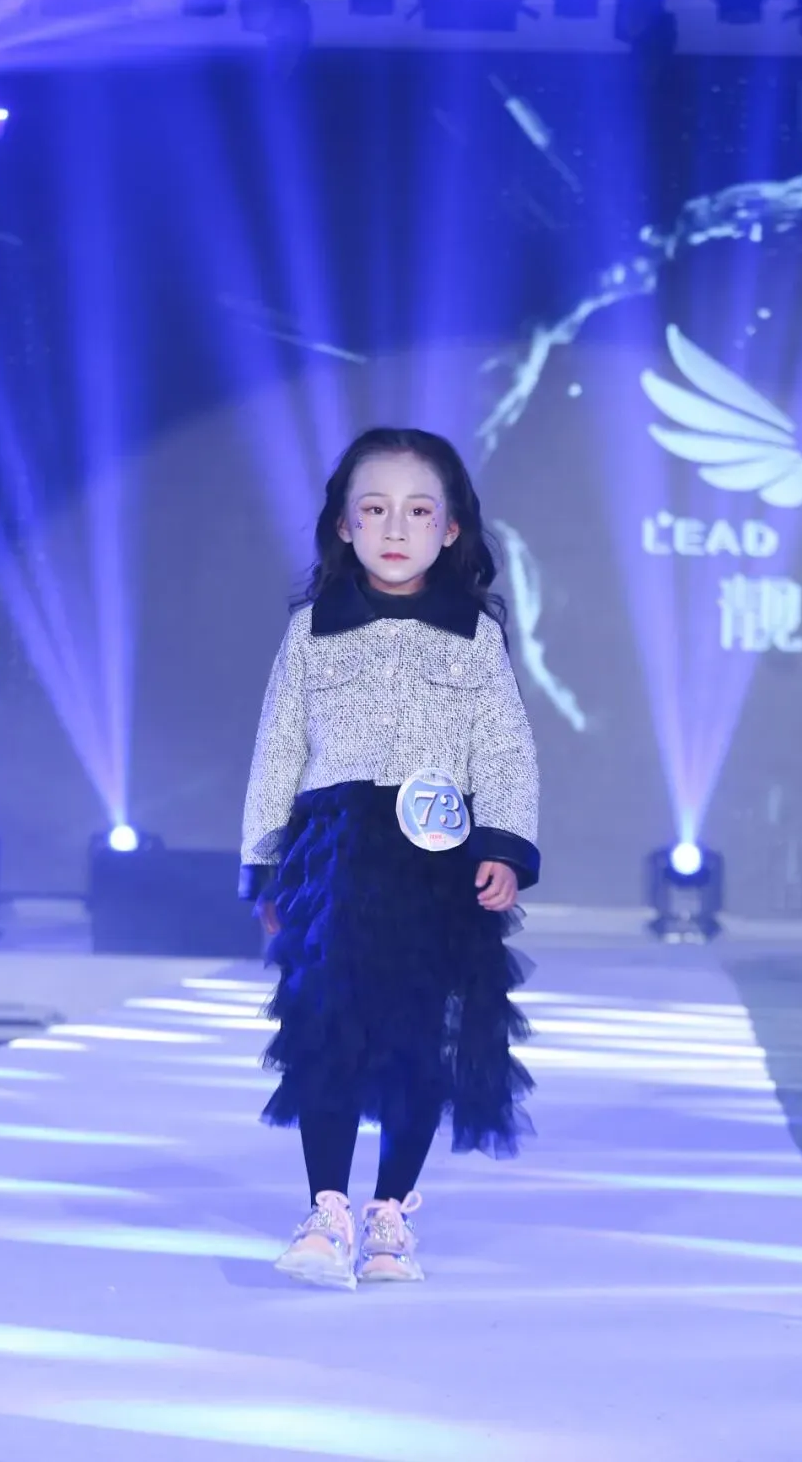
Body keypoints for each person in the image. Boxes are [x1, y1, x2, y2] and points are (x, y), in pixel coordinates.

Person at [240, 426, 540, 1290]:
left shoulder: (472, 637)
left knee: (421, 1039)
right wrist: (264, 867)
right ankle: (325, 1209)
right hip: (334, 861)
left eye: (418, 511)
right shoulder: (313, 632)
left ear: (451, 530)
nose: (395, 528)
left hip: (436, 864)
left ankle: (389, 1216)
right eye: (374, 509)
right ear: (344, 524)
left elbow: (505, 750)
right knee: (327, 1032)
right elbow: (277, 750)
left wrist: (506, 847)